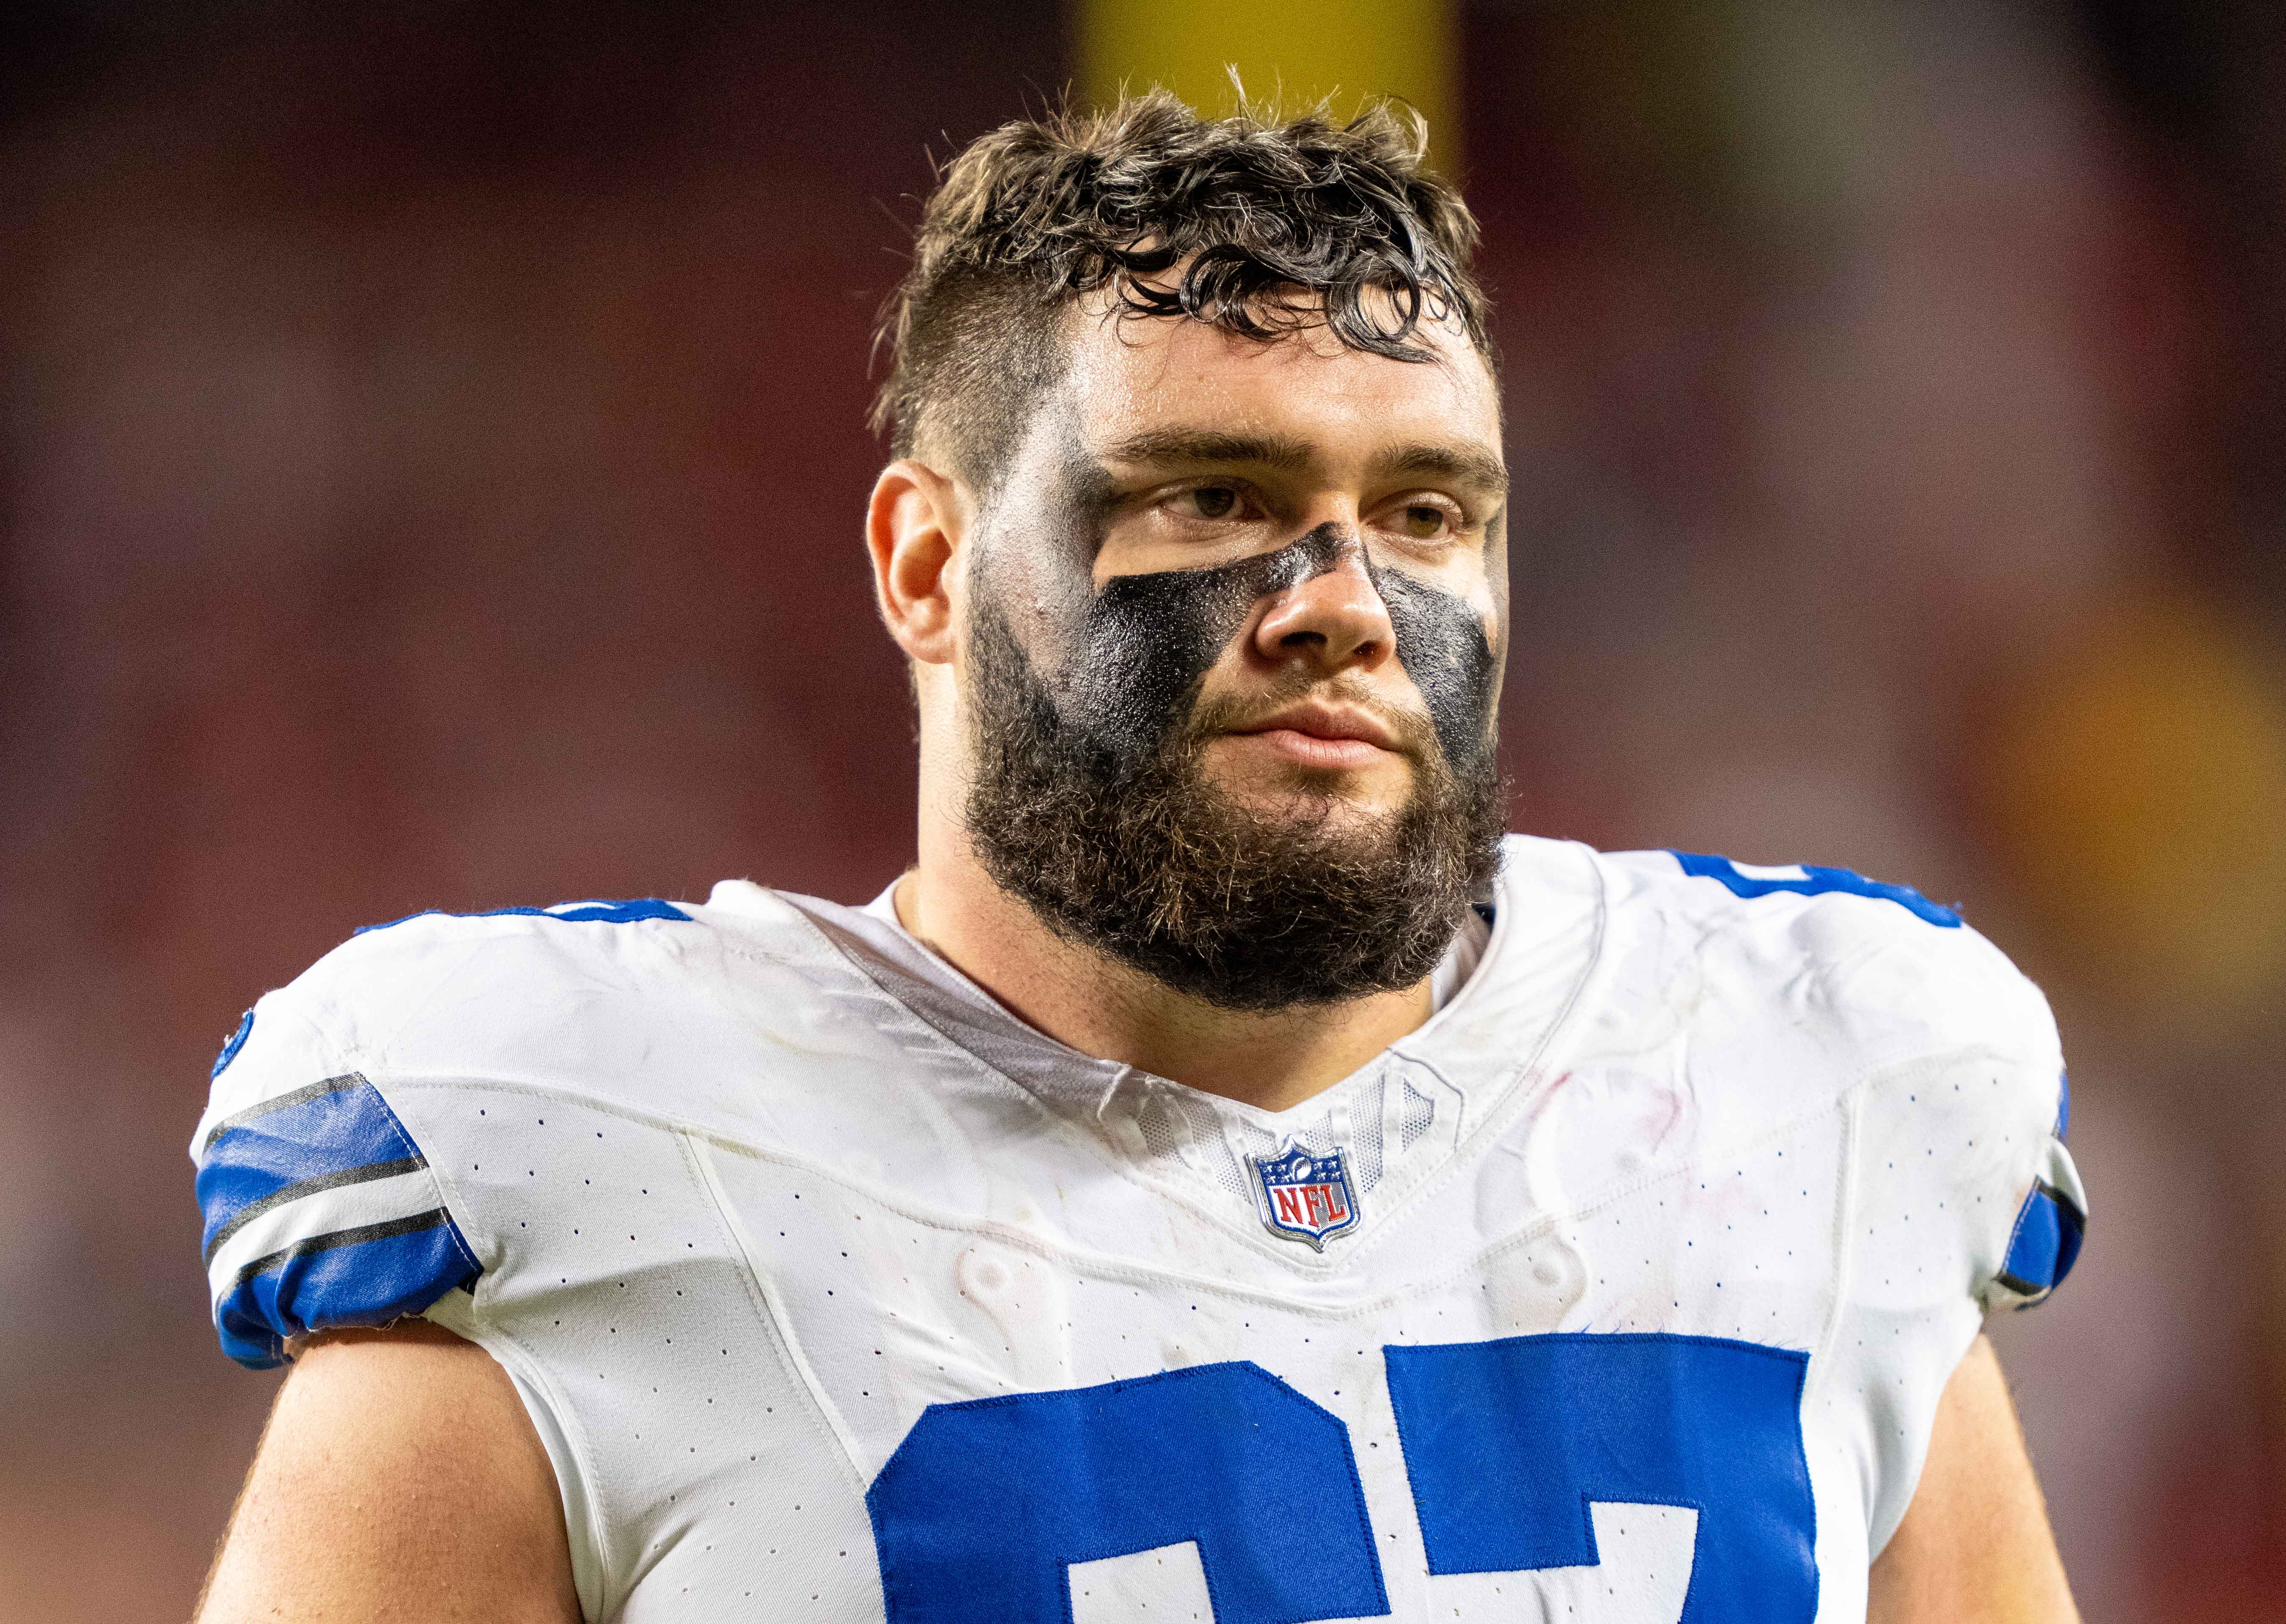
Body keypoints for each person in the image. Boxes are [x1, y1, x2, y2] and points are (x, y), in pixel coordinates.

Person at [190, 90, 2086, 1623]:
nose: (1344, 600)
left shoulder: (1816, 1084)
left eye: (1428, 512)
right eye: (1214, 497)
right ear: (928, 563)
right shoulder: (582, 1146)